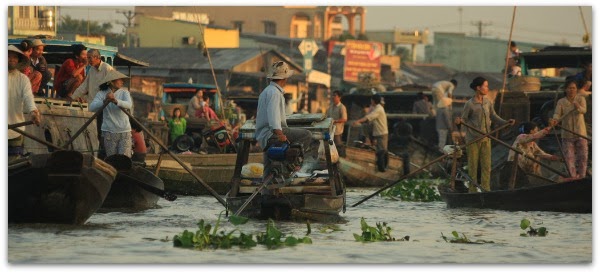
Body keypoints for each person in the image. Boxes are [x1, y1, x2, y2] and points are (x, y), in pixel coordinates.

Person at [255, 61, 317, 177]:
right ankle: (292, 163)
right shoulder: (275, 93)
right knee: (306, 135)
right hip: (271, 133)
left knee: (268, 169)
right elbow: (273, 118)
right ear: (284, 78)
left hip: (263, 134)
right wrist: (280, 134)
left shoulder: (267, 91)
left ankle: (266, 193)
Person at [455, 76, 514, 192]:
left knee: (486, 166)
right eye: (485, 86)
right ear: (478, 88)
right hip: (473, 139)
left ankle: (486, 189)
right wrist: (459, 122)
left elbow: (494, 116)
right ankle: (472, 190)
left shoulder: (487, 102)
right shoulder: (470, 104)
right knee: (473, 166)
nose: (487, 88)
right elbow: (464, 120)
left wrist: (506, 122)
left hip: (486, 138)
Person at [89, 70, 133, 158]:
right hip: (109, 131)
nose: (122, 82)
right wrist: (105, 101)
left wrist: (116, 101)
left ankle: (122, 172)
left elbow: (129, 105)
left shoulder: (124, 92)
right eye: (119, 80)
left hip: (124, 130)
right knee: (112, 158)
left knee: (124, 158)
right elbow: (92, 108)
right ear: (111, 82)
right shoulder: (101, 94)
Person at [549, 79, 588, 180]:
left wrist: (578, 107)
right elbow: (557, 114)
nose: (571, 90)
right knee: (569, 158)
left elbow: (584, 110)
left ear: (576, 89)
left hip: (580, 133)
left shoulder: (580, 99)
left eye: (573, 88)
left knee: (582, 157)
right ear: (565, 89)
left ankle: (582, 177)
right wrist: (555, 120)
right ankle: (573, 178)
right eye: (569, 88)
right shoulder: (561, 101)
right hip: (567, 134)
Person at [8, 45, 41, 161]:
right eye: (8, 56)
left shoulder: (23, 79)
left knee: (13, 162)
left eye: (14, 57)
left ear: (18, 60)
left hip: (15, 129)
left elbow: (28, 97)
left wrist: (33, 112)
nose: (11, 59)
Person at [353, 93, 389, 172]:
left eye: (371, 100)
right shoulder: (374, 107)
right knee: (380, 150)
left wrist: (358, 121)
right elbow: (368, 116)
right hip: (376, 132)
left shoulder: (379, 109)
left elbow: (368, 117)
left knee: (382, 151)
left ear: (373, 100)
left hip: (381, 132)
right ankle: (381, 167)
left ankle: (383, 168)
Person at [326, 90, 348, 157]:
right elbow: (326, 116)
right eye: (332, 95)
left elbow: (344, 119)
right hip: (329, 130)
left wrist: (335, 121)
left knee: (338, 147)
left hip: (337, 131)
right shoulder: (330, 107)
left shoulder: (342, 107)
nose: (333, 97)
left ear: (339, 97)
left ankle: (341, 160)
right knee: (328, 145)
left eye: (335, 95)